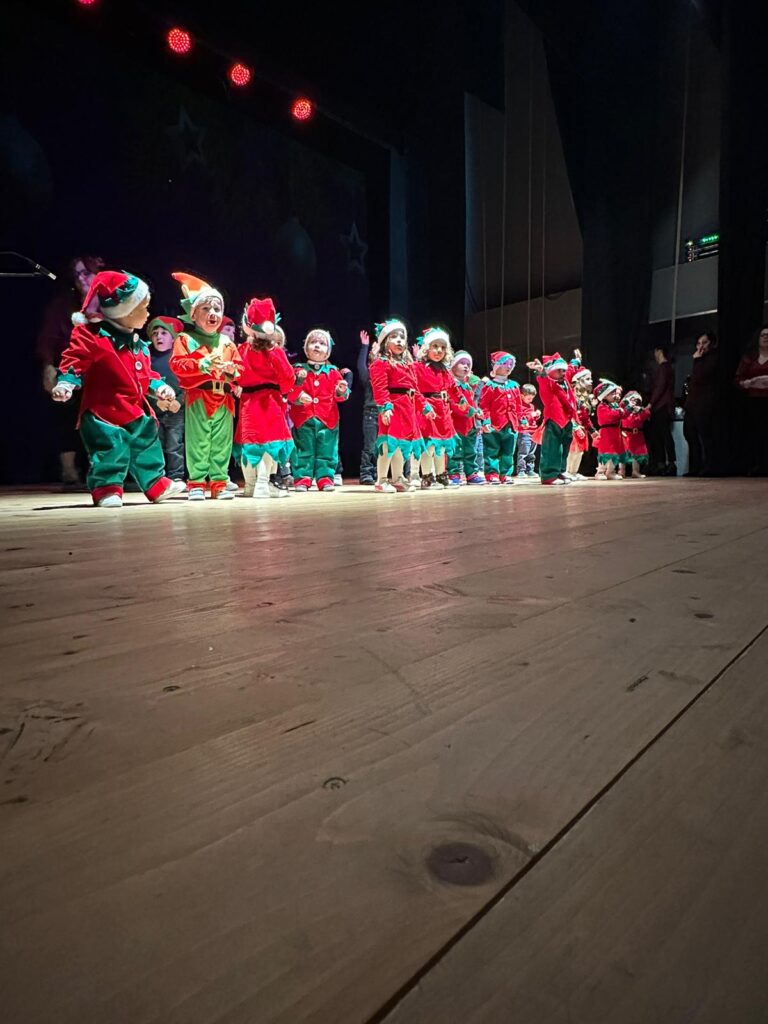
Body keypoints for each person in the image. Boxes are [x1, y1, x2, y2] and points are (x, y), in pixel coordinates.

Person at [50, 270, 185, 507]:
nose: (147, 313)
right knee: (111, 449)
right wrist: (66, 383)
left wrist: (159, 386)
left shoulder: (138, 344)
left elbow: (145, 375)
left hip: (134, 410)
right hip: (104, 412)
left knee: (147, 441)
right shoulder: (93, 337)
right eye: (142, 308)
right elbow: (74, 361)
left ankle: (156, 484)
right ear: (123, 311)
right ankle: (107, 489)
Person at [169, 272, 242, 500]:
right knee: (198, 440)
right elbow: (177, 365)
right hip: (199, 396)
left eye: (217, 309)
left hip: (224, 399)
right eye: (206, 309)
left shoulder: (227, 342)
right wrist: (201, 363)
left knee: (221, 441)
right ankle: (197, 483)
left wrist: (234, 372)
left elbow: (241, 369)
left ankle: (219, 482)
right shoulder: (185, 339)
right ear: (194, 314)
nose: (213, 314)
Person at [36, 255, 105, 485]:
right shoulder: (64, 305)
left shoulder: (112, 302)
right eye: (76, 275)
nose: (81, 278)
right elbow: (48, 338)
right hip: (72, 367)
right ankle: (69, 471)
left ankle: (106, 470)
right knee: (65, 413)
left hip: (105, 368)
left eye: (85, 272)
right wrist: (48, 366)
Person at [235, 298, 296, 498]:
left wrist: (237, 385)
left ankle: (251, 485)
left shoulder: (242, 350)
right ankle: (262, 483)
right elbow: (288, 376)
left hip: (248, 401)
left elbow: (237, 374)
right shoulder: (274, 351)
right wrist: (284, 391)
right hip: (270, 401)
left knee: (251, 442)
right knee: (270, 442)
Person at [369, 319, 427, 493]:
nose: (400, 340)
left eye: (402, 337)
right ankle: (381, 479)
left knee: (402, 446)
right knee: (388, 444)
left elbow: (415, 389)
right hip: (393, 407)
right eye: (394, 337)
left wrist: (425, 407)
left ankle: (398, 477)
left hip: (407, 408)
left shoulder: (408, 365)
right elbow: (380, 388)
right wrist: (385, 407)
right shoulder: (381, 363)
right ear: (385, 342)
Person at [290, 329, 350, 492]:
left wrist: (341, 390)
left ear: (328, 351)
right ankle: (303, 477)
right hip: (304, 417)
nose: (317, 346)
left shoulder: (333, 372)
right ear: (306, 347)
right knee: (303, 449)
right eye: (313, 342)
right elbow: (289, 390)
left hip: (327, 418)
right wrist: (299, 393)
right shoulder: (298, 369)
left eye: (322, 343)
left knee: (327, 449)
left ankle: (325, 477)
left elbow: (341, 396)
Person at [414, 327, 461, 489]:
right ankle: (427, 477)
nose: (439, 350)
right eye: (435, 346)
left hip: (443, 409)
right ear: (427, 348)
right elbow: (415, 390)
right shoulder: (418, 367)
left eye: (442, 347)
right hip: (428, 409)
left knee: (442, 444)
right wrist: (425, 406)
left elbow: (453, 388)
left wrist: (461, 401)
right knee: (430, 445)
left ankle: (441, 475)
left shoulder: (444, 370)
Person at [526, 351, 580, 485]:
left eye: (563, 370)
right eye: (559, 370)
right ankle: (548, 475)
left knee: (564, 447)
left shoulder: (564, 380)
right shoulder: (548, 384)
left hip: (567, 419)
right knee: (552, 448)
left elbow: (571, 370)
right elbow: (542, 379)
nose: (562, 373)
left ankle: (560, 471)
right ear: (550, 371)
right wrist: (541, 371)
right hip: (554, 420)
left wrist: (576, 360)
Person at [146, 316, 186, 483]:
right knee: (155, 444)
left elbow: (188, 384)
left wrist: (179, 401)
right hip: (155, 410)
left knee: (174, 444)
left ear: (173, 338)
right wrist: (157, 402)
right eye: (155, 333)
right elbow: (144, 383)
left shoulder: (179, 358)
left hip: (176, 410)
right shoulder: (148, 358)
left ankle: (176, 477)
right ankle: (157, 478)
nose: (159, 336)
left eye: (164, 333)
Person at [479, 351, 522, 485]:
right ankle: (492, 473)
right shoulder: (490, 386)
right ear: (497, 366)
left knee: (508, 451)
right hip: (495, 424)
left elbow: (518, 405)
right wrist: (485, 421)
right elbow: (484, 405)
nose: (508, 367)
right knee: (492, 450)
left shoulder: (514, 386)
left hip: (510, 424)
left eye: (511, 364)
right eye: (505, 364)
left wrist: (521, 419)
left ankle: (506, 473)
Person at [447, 350, 486, 485]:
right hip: (455, 423)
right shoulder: (451, 385)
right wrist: (469, 411)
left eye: (468, 364)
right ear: (453, 365)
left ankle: (471, 473)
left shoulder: (469, 387)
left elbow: (472, 403)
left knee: (471, 451)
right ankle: (453, 472)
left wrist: (477, 411)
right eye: (462, 363)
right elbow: (453, 403)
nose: (466, 366)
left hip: (469, 424)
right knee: (455, 450)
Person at [683, 331, 718, 476]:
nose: (701, 346)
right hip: (692, 403)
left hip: (705, 402)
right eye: (698, 343)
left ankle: (710, 467)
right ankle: (694, 468)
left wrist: (697, 360)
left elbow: (703, 376)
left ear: (712, 343)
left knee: (705, 436)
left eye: (704, 342)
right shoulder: (698, 359)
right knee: (690, 434)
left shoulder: (713, 358)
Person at [735, 324, 768, 475]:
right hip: (754, 401)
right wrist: (747, 383)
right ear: (758, 339)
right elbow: (738, 379)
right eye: (763, 335)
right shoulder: (749, 358)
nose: (766, 337)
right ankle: (758, 465)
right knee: (756, 434)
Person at [648, 345, 677, 476]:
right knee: (663, 435)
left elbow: (660, 387)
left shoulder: (663, 368)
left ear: (659, 351)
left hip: (661, 406)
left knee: (662, 436)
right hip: (665, 405)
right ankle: (667, 463)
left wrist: (650, 403)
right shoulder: (668, 368)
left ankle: (666, 464)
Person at [356, 330, 379, 484]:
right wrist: (365, 347)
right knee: (370, 446)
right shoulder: (369, 374)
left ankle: (378, 473)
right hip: (371, 413)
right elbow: (360, 367)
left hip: (386, 412)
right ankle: (366, 473)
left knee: (381, 447)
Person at [566, 367, 594, 481]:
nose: (591, 381)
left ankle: (574, 471)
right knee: (572, 450)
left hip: (581, 428)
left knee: (579, 452)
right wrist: (575, 426)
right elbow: (568, 413)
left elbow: (586, 417)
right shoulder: (571, 396)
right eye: (588, 379)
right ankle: (567, 471)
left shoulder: (584, 399)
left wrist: (592, 430)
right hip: (572, 427)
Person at [593, 379, 625, 480]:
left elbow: (622, 416)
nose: (615, 395)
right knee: (605, 452)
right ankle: (600, 472)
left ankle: (611, 472)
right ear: (605, 395)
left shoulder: (614, 406)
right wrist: (619, 413)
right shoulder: (601, 407)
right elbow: (608, 417)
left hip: (615, 432)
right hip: (607, 433)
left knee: (614, 453)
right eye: (612, 393)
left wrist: (623, 411)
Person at [620, 390, 651, 479]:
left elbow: (647, 414)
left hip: (637, 435)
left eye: (636, 400)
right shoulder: (624, 410)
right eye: (632, 399)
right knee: (623, 454)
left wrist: (640, 409)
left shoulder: (639, 411)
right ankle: (621, 472)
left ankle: (635, 472)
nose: (634, 401)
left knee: (636, 455)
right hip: (625, 434)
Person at [516, 383, 541, 478]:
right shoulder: (519, 406)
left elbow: (533, 419)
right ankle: (521, 470)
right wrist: (531, 415)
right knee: (523, 452)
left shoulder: (531, 406)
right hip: (524, 432)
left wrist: (537, 415)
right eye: (529, 398)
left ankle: (530, 469)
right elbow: (520, 417)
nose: (531, 400)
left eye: (532, 398)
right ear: (522, 396)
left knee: (531, 453)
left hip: (533, 431)